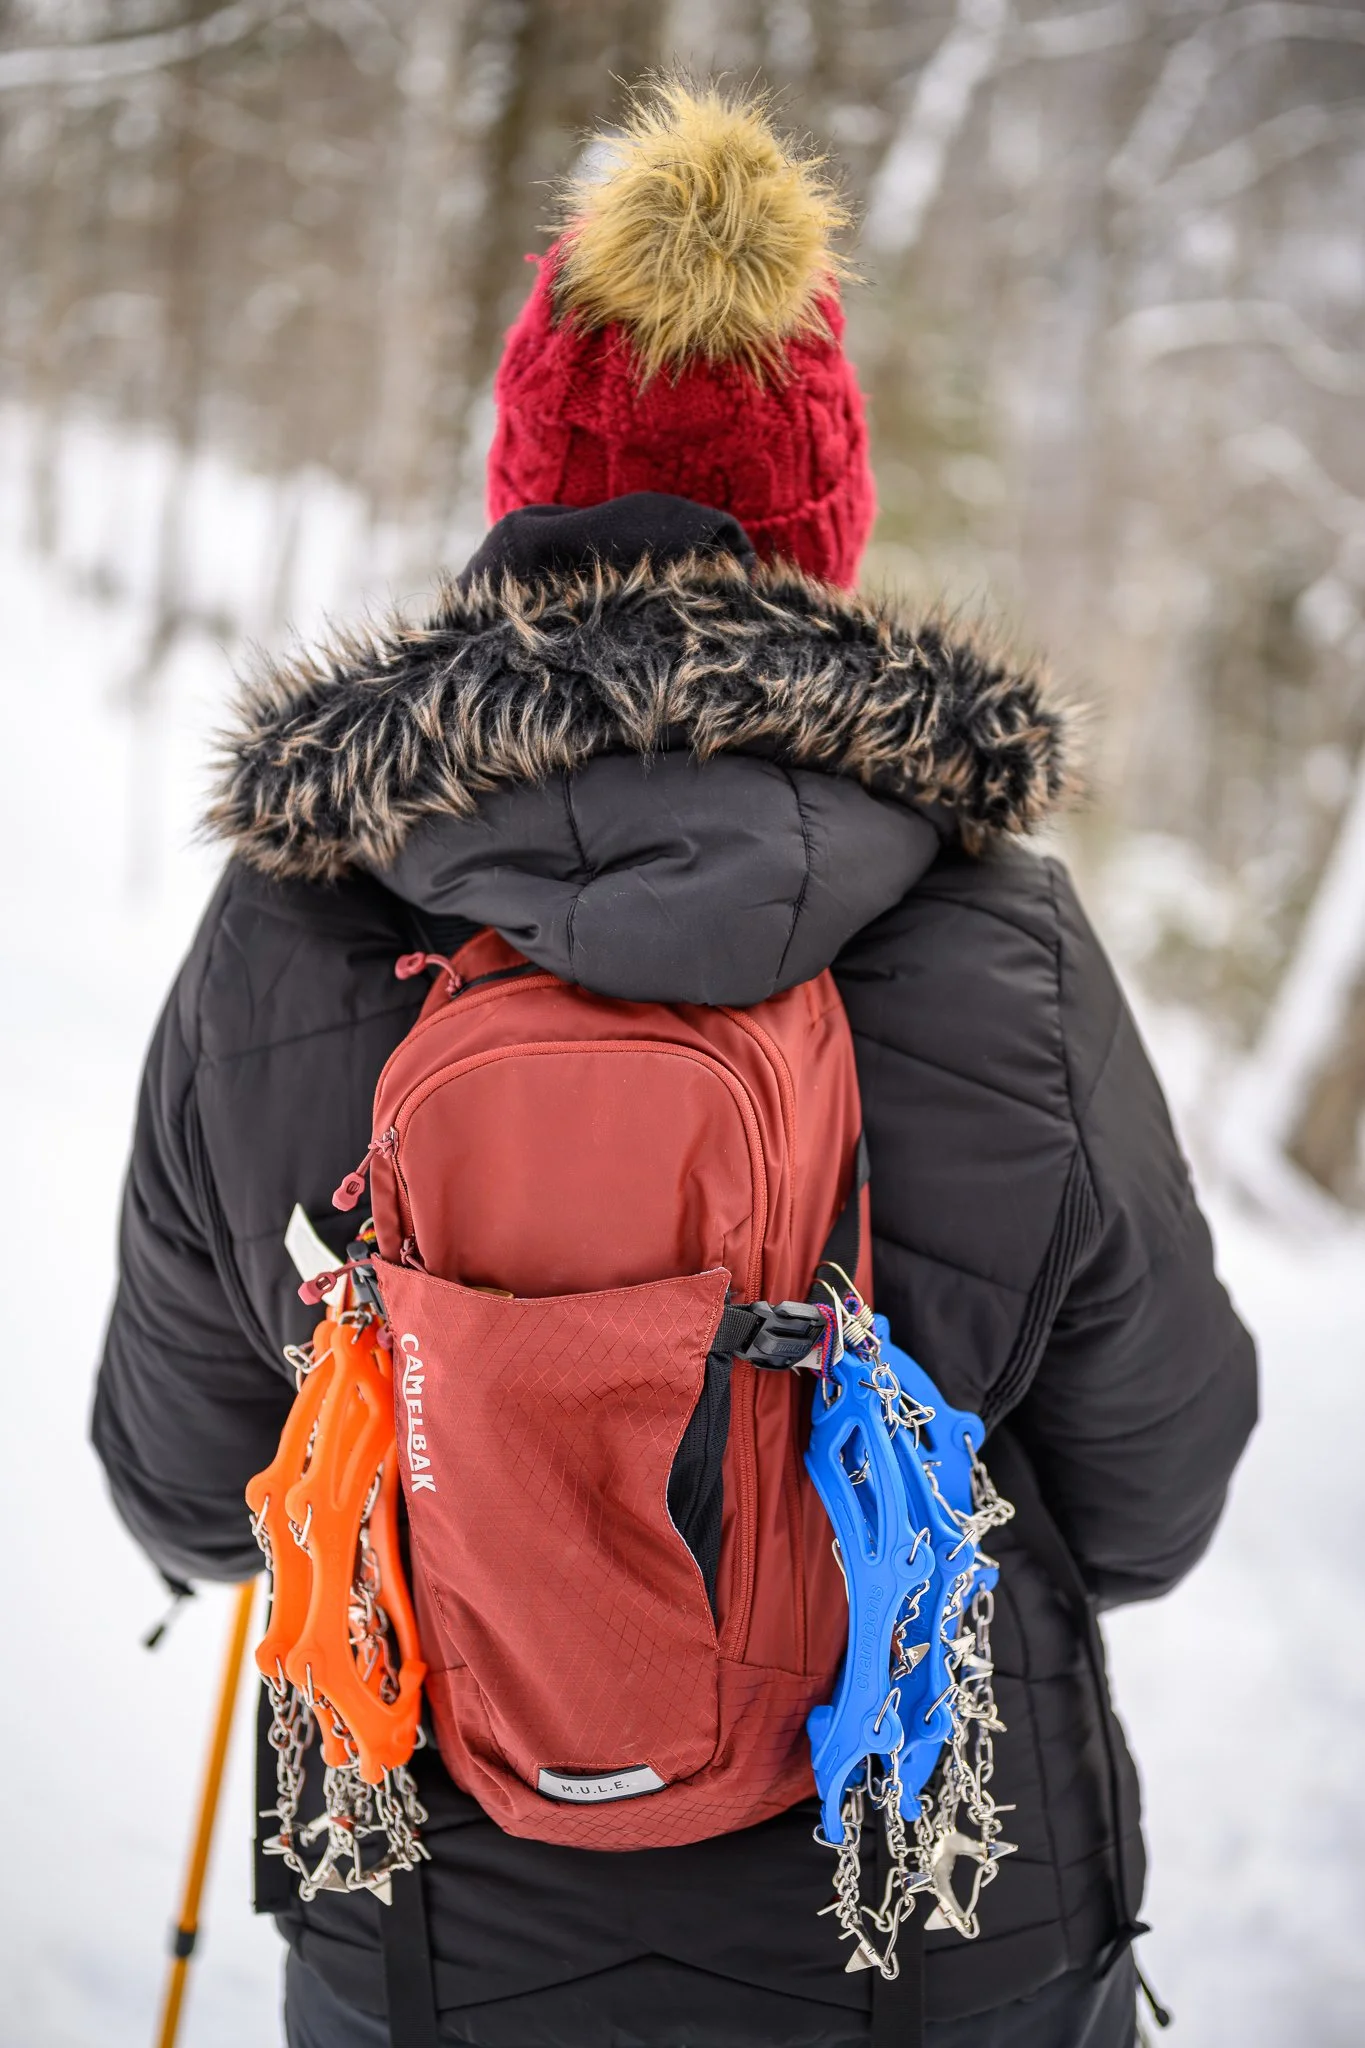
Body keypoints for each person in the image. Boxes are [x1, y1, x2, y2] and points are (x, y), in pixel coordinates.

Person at [94, 81, 1256, 2048]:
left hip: (430, 1934)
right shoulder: (998, 937)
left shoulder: (289, 920)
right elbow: (1154, 1483)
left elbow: (194, 1488)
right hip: (932, 1916)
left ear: (517, 494)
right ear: (825, 527)